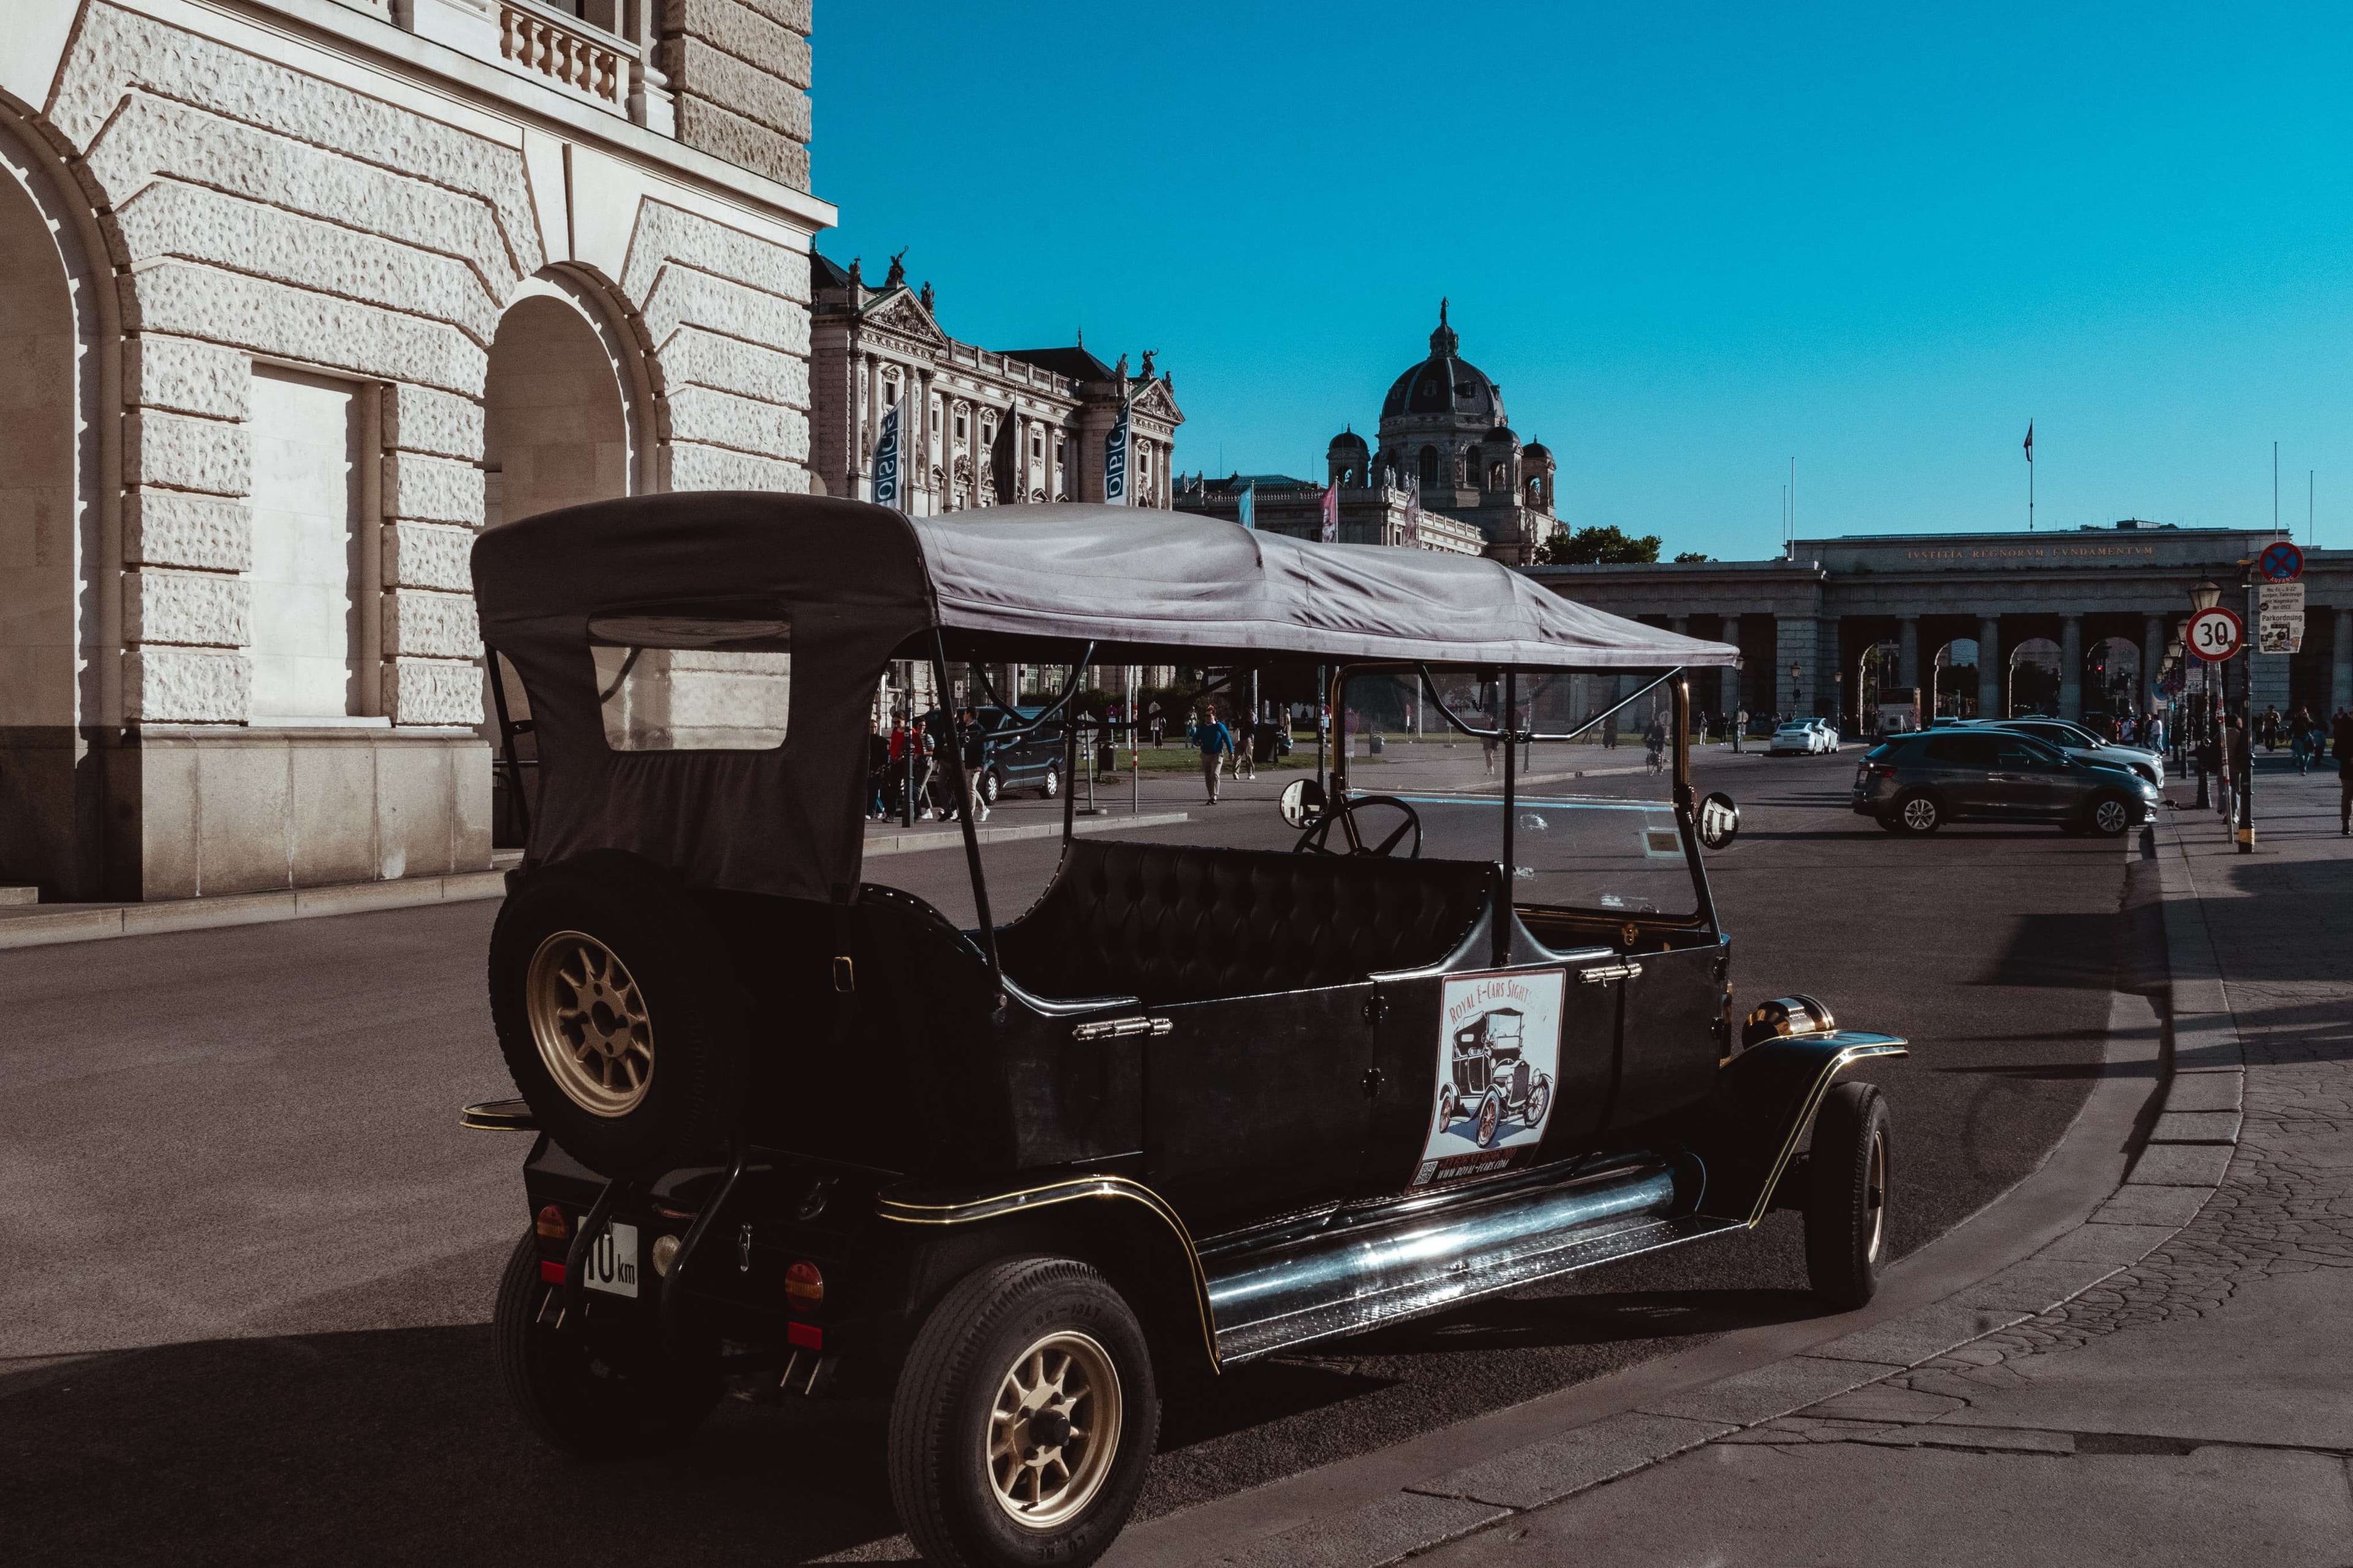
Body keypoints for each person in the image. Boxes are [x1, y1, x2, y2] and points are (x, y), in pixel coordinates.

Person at [957, 706, 990, 822]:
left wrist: (980, 764)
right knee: (969, 788)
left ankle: (969, 816)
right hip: (964, 762)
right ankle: (984, 809)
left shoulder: (978, 729)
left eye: (965, 714)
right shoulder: (963, 728)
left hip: (974, 764)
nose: (963, 716)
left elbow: (983, 748)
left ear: (969, 715)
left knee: (970, 787)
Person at [1195, 705, 1232, 803]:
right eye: (1206, 716)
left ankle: (1215, 796)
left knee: (1215, 774)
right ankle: (1211, 795)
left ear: (1214, 716)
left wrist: (1231, 752)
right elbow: (1195, 737)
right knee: (1208, 776)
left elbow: (1227, 739)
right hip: (1205, 754)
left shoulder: (1219, 726)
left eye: (1209, 716)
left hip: (1217, 754)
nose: (1208, 718)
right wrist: (1196, 742)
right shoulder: (1202, 727)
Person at [2336, 708, 2353, 836]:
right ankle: (2345, 824)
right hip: (2348, 769)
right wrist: (2348, 758)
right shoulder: (2344, 729)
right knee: (2347, 797)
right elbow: (2336, 751)